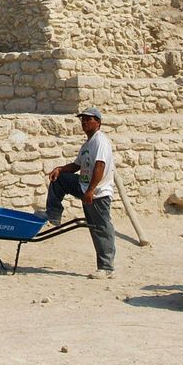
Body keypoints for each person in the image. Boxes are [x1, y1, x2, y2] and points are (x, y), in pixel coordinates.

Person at [44, 107, 116, 278]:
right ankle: (53, 215)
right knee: (59, 178)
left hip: (97, 192)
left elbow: (100, 166)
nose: (84, 122)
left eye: (88, 119)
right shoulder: (87, 144)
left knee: (101, 228)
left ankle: (107, 268)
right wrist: (60, 169)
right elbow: (77, 166)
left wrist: (91, 190)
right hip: (83, 187)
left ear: (98, 122)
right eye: (82, 119)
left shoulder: (100, 141)